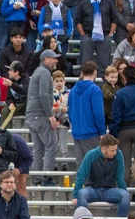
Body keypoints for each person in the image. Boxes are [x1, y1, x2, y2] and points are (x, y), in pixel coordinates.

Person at [73, 135, 130, 218]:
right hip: (92, 189)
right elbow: (81, 175)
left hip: (110, 190)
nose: (115, 153)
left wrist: (124, 190)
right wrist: (75, 195)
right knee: (81, 193)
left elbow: (120, 178)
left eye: (116, 150)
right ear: (103, 149)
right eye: (112, 151)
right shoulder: (91, 155)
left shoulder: (119, 155)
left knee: (125, 195)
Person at [27, 49, 60, 184]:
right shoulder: (45, 72)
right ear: (46, 60)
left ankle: (37, 179)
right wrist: (50, 115)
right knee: (52, 146)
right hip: (40, 116)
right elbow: (43, 95)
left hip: (32, 116)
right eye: (54, 58)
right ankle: (47, 178)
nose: (56, 60)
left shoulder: (38, 72)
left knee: (39, 149)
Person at [68, 62, 106, 167]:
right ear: (95, 72)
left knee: (81, 165)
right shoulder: (95, 90)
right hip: (91, 132)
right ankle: (92, 184)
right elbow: (98, 113)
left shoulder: (73, 90)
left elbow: (70, 113)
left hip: (77, 132)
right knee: (95, 164)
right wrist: (102, 131)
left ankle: (81, 184)